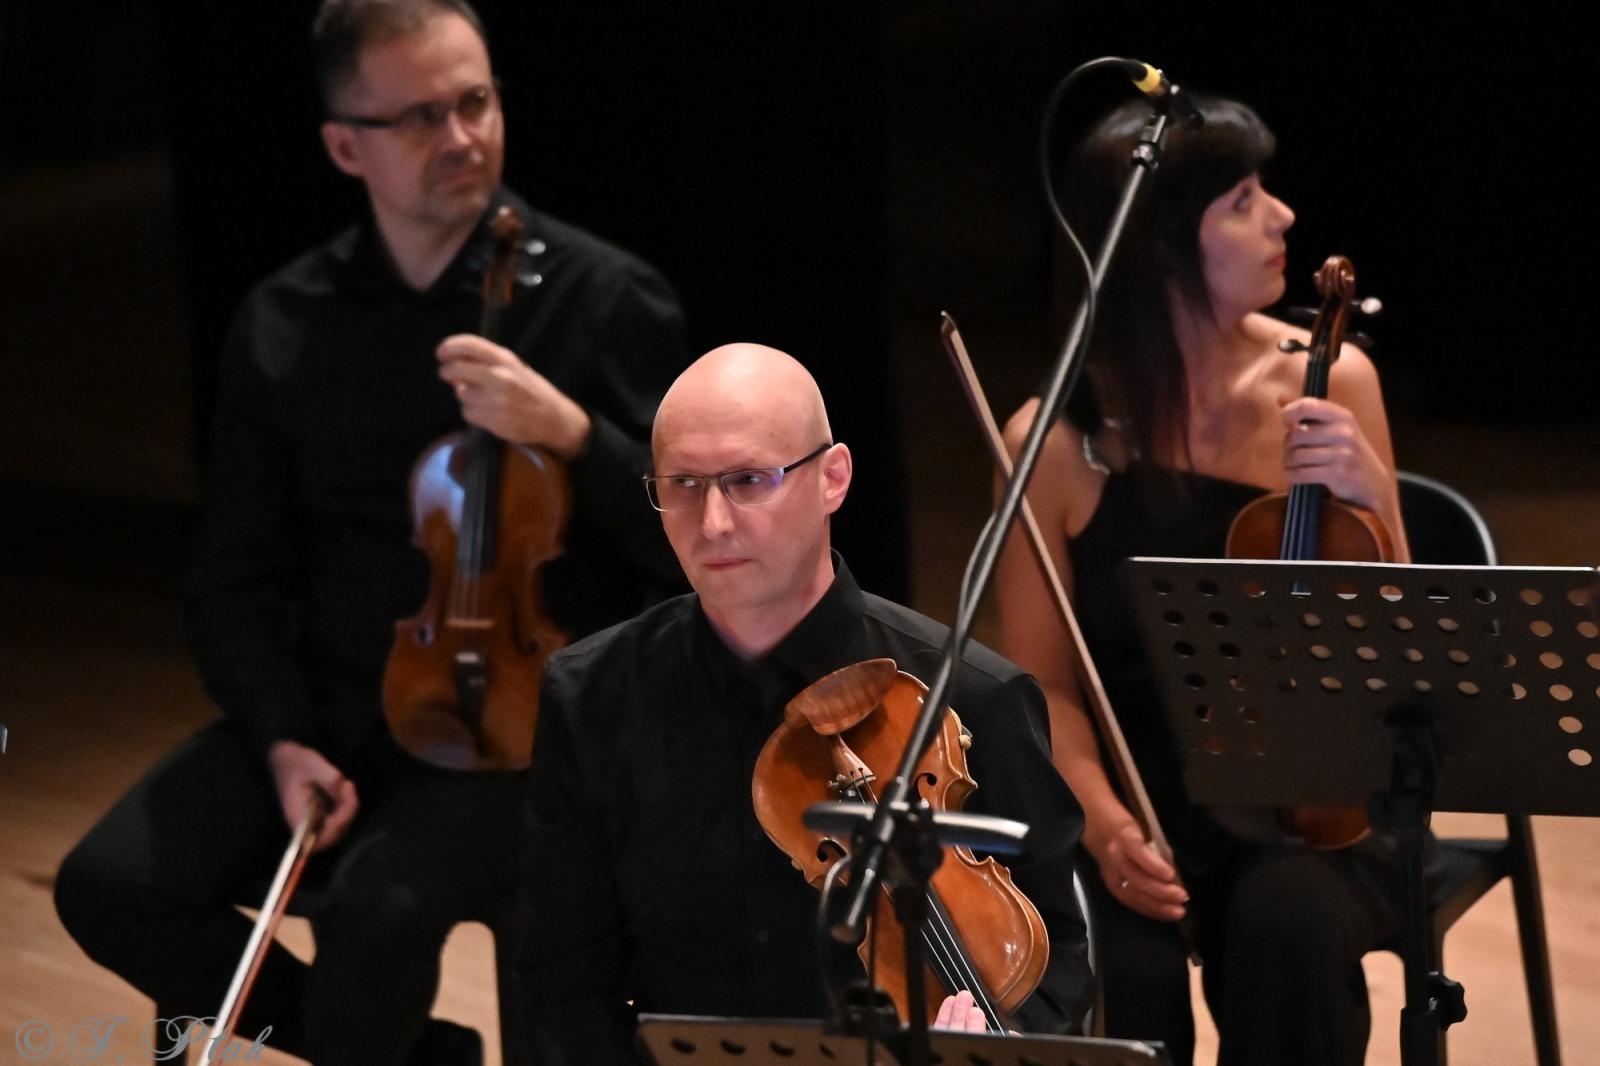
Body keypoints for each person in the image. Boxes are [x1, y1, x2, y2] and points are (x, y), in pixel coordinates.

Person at [53, 2, 686, 1063]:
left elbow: (701, 542)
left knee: (373, 911)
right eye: (420, 117)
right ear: (345, 145)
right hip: (343, 707)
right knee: (111, 885)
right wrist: (279, 734)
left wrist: (577, 433)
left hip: (528, 736)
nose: (462, 139)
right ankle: (421, 1057)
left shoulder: (602, 300)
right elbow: (230, 576)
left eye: (475, 102)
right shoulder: (285, 321)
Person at [519, 343, 1095, 1063]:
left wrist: (995, 1046)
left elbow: (1061, 965)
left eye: (749, 480)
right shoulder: (591, 696)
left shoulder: (974, 696)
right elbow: (561, 980)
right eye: (684, 484)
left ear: (834, 478)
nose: (714, 522)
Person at [994, 96, 1418, 1066]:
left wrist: (1372, 494)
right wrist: (1102, 825)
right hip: (1135, 797)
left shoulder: (1331, 379)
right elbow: (1045, 687)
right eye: (1240, 200)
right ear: (1156, 248)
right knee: (1119, 971)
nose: (1281, 216)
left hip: (1312, 799)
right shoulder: (1049, 444)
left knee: (1291, 931)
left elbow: (1401, 649)